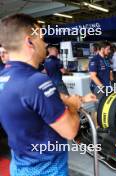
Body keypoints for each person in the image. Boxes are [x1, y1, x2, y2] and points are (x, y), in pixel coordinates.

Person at [0, 13, 97, 176]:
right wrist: (74, 106)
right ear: (30, 41)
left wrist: (77, 98)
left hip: (19, 165)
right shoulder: (36, 81)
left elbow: (37, 101)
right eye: (41, 38)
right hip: (47, 170)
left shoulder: (5, 77)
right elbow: (70, 131)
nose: (44, 44)